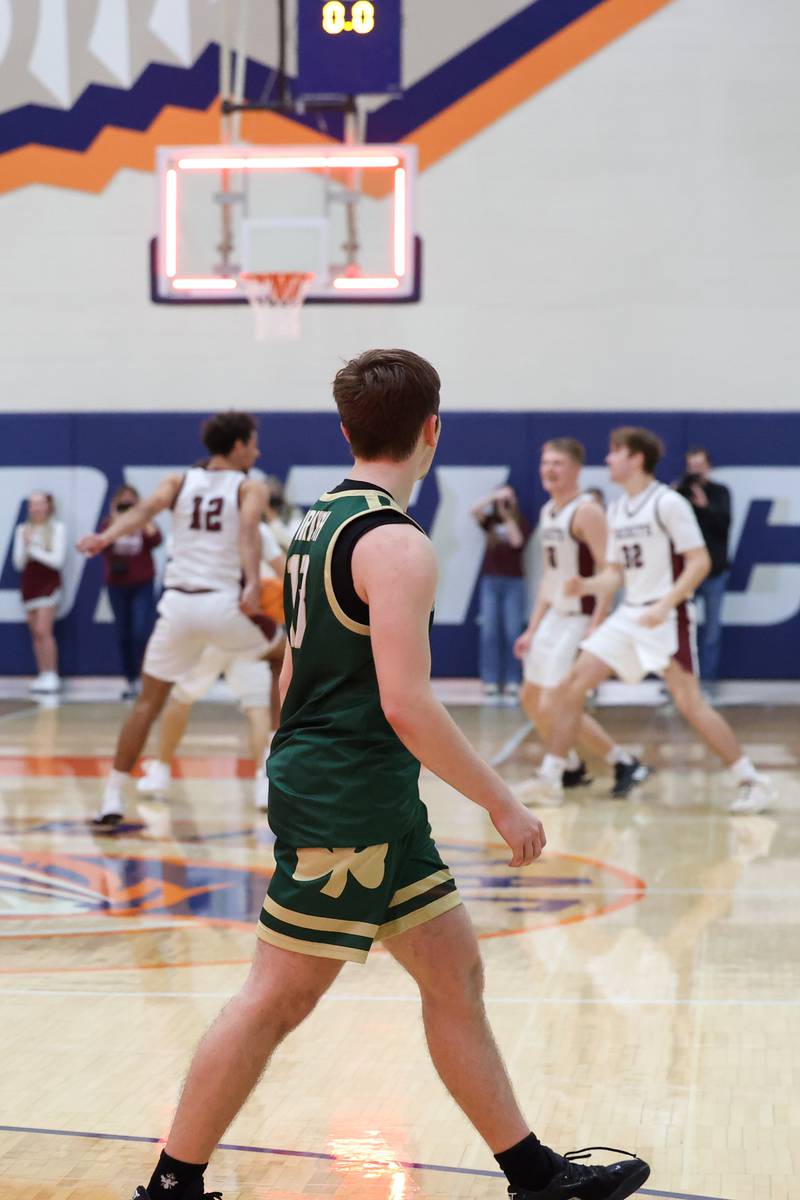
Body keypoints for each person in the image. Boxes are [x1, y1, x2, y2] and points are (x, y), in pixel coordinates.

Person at [130, 350, 649, 1200]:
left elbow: (295, 667)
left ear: (347, 432)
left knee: (456, 976)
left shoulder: (317, 520)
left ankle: (533, 1173)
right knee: (275, 998)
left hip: (365, 792)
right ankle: (171, 1184)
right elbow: (409, 704)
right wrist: (502, 800)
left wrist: (288, 754)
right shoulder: (397, 545)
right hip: (351, 796)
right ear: (432, 431)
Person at [547, 427, 772, 815]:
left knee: (690, 704)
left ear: (636, 459)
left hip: (667, 614)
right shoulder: (618, 508)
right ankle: (550, 777)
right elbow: (615, 574)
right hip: (631, 612)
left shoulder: (668, 503)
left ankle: (752, 780)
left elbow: (700, 562)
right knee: (571, 685)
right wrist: (586, 583)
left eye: (614, 453)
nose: (607, 460)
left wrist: (666, 604)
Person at [77, 411, 270, 826]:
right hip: (222, 605)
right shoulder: (250, 486)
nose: (257, 450)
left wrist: (104, 538)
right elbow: (248, 532)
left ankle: (111, 796)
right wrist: (253, 583)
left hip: (178, 607)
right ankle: (272, 771)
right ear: (238, 446)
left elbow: (142, 512)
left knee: (148, 703)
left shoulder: (178, 481)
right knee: (285, 655)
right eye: (253, 443)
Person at [513, 439, 650, 804]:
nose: (549, 470)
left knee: (560, 700)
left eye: (557, 463)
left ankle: (554, 776)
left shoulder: (587, 511)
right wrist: (532, 626)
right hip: (554, 617)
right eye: (545, 463)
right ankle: (595, 763)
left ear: (575, 469)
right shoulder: (548, 511)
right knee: (530, 697)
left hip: (580, 618)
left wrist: (597, 623)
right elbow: (549, 578)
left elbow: (611, 572)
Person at [138, 520, 286, 810]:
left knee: (181, 699)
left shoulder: (194, 529)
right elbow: (287, 574)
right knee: (259, 709)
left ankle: (161, 770)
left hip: (214, 625)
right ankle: (263, 780)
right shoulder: (259, 529)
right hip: (248, 628)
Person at [674, 447, 731, 689]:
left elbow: (725, 523)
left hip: (714, 572)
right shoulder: (678, 495)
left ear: (709, 467)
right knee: (681, 631)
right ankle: (679, 684)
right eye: (692, 467)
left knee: (711, 633)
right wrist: (676, 496)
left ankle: (707, 685)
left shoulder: (719, 493)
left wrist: (705, 506)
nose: (696, 471)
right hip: (686, 573)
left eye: (700, 466)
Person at [100, 484, 163, 699]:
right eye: (123, 502)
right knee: (123, 634)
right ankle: (131, 680)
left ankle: (146, 678)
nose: (127, 506)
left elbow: (156, 540)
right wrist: (116, 519)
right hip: (117, 585)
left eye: (131, 502)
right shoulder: (109, 524)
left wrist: (141, 517)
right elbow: (102, 544)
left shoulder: (146, 523)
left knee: (140, 631)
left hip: (142, 583)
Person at [471, 485, 530, 699]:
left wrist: (507, 515)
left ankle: (514, 679)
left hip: (514, 582)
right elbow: (473, 511)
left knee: (512, 631)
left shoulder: (520, 522)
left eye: (509, 497)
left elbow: (517, 542)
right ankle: (491, 680)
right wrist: (493, 496)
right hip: (491, 581)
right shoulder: (490, 522)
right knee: (489, 632)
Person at [13, 491, 67, 694]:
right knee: (36, 633)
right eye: (32, 504)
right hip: (29, 585)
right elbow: (19, 563)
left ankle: (52, 673)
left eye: (40, 503)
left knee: (45, 631)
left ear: (48, 506)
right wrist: (25, 545)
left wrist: (33, 547)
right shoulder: (23, 529)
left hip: (48, 585)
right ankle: (43, 674)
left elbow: (57, 561)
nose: (36, 508)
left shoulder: (57, 529)